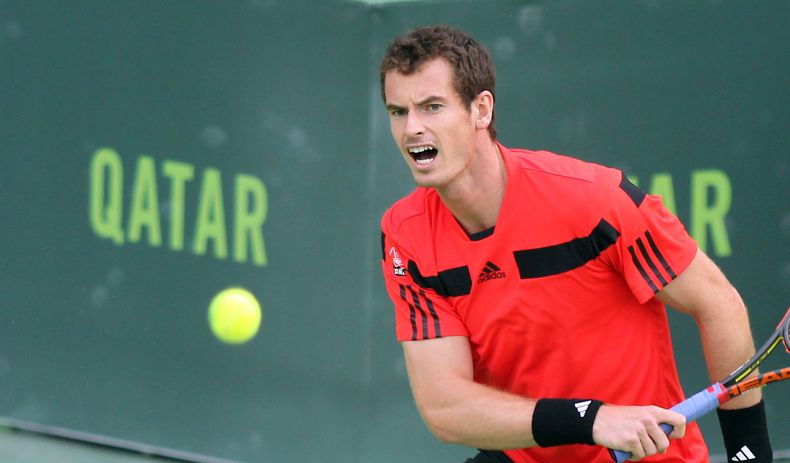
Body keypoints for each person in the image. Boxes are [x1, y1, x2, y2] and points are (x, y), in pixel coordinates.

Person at [378, 25, 772, 463]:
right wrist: (590, 419)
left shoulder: (594, 199)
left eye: (432, 107)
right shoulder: (406, 235)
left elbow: (717, 302)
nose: (412, 128)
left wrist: (749, 450)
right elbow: (446, 406)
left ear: (481, 109)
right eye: (398, 112)